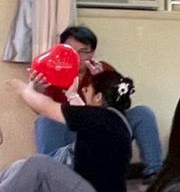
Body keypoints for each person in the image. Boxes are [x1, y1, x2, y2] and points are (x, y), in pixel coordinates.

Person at [31, 25, 163, 178]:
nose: (76, 56)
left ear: (92, 53)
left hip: (105, 130)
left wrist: (102, 83)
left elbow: (118, 108)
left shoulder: (103, 69)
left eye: (83, 51)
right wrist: (37, 92)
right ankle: (50, 176)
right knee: (44, 120)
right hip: (73, 133)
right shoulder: (52, 71)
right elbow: (45, 110)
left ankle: (154, 173)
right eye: (70, 51)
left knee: (143, 113)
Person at [1, 70, 134, 192]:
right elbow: (78, 112)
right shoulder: (112, 119)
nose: (83, 91)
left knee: (37, 165)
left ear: (98, 97)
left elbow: (47, 107)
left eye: (87, 89)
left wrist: (24, 90)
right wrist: (68, 94)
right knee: (20, 166)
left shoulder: (101, 118)